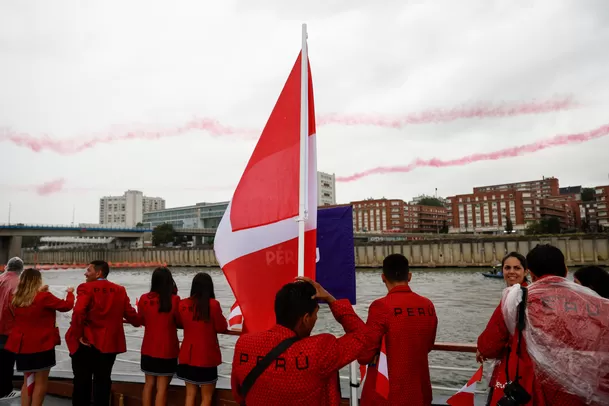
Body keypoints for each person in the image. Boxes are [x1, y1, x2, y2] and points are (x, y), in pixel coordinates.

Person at [478, 244, 609, 405]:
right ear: (566, 270)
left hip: (536, 390)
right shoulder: (597, 302)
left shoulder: (518, 299)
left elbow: (488, 346)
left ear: (531, 274)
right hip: (586, 394)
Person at [231, 277, 368, 406]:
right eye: (316, 314)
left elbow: (238, 394)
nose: (316, 318)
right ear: (306, 318)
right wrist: (330, 299)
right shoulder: (319, 350)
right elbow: (362, 336)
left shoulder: (245, 344)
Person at [358, 254, 438, 406]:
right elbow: (428, 345)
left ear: (383, 277)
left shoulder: (381, 306)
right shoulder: (428, 305)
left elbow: (364, 355)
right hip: (419, 391)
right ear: (409, 276)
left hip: (387, 393)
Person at [66, 260, 142, 406]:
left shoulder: (85, 288)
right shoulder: (120, 290)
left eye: (88, 270)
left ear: (98, 273)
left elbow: (78, 312)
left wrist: (78, 334)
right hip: (109, 343)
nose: (85, 273)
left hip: (87, 342)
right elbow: (131, 315)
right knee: (103, 381)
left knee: (82, 382)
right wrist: (143, 320)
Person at [4, 268, 74, 406]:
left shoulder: (15, 298)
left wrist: (42, 291)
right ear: (38, 281)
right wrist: (70, 293)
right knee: (41, 382)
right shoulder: (44, 297)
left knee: (28, 381)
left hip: (22, 346)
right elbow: (66, 306)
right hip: (42, 345)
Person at [479, 252, 529, 404]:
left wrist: (482, 349)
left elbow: (490, 343)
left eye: (517, 268)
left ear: (526, 271)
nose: (511, 272)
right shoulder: (532, 293)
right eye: (507, 268)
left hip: (514, 368)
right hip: (528, 370)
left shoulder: (513, 297)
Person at [176, 272, 227, 406]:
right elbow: (222, 327)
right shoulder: (213, 305)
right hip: (206, 358)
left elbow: (180, 322)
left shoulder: (182, 305)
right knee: (206, 397)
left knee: (190, 394)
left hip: (187, 355)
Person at [137, 267, 181, 406]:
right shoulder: (174, 300)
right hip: (167, 349)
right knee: (162, 388)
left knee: (148, 384)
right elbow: (179, 321)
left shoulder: (144, 298)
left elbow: (141, 319)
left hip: (148, 348)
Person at [0, 257, 24, 400]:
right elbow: (15, 306)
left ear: (6, 267)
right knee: (6, 361)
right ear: (21, 270)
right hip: (8, 329)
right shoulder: (18, 283)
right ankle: (4, 391)